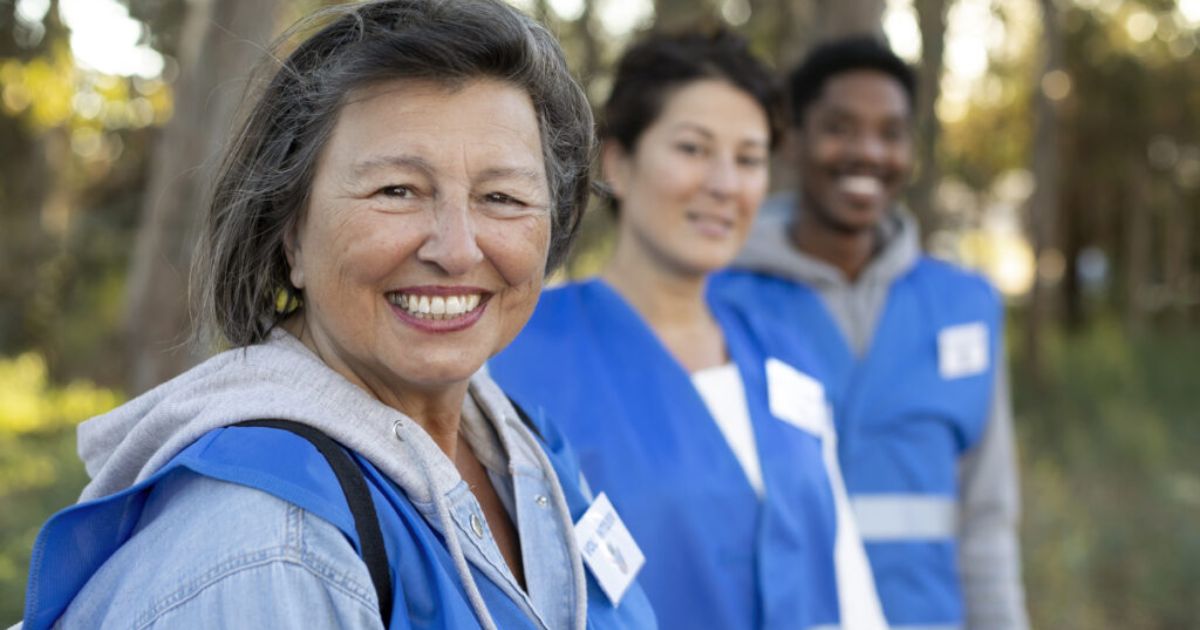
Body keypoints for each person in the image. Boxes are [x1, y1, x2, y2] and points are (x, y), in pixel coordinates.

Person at [19, 1, 657, 628]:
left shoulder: (519, 442)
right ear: (290, 231)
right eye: (397, 191)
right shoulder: (272, 550)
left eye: (503, 197)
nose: (458, 249)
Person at [490, 29, 885, 630]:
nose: (725, 184)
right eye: (694, 149)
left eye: (748, 159)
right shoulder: (515, 351)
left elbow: (845, 579)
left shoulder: (785, 357)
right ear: (618, 163)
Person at [711, 36, 1029, 630]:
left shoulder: (966, 306)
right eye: (839, 128)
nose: (868, 152)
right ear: (792, 138)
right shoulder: (720, 299)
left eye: (891, 133)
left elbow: (986, 517)